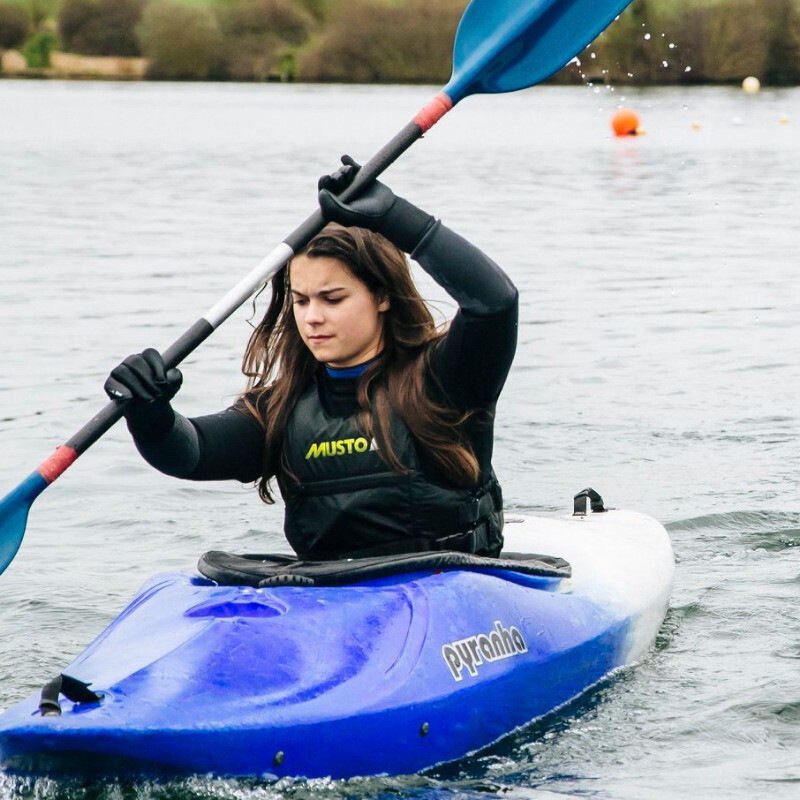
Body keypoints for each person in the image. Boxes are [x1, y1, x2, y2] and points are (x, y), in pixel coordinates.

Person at [105, 158, 518, 561]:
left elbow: (495, 302)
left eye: (332, 298)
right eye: (301, 300)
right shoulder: (280, 410)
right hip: (330, 598)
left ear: (382, 296)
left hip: (450, 590)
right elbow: (191, 452)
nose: (312, 317)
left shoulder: (446, 380)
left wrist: (396, 216)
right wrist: (150, 413)